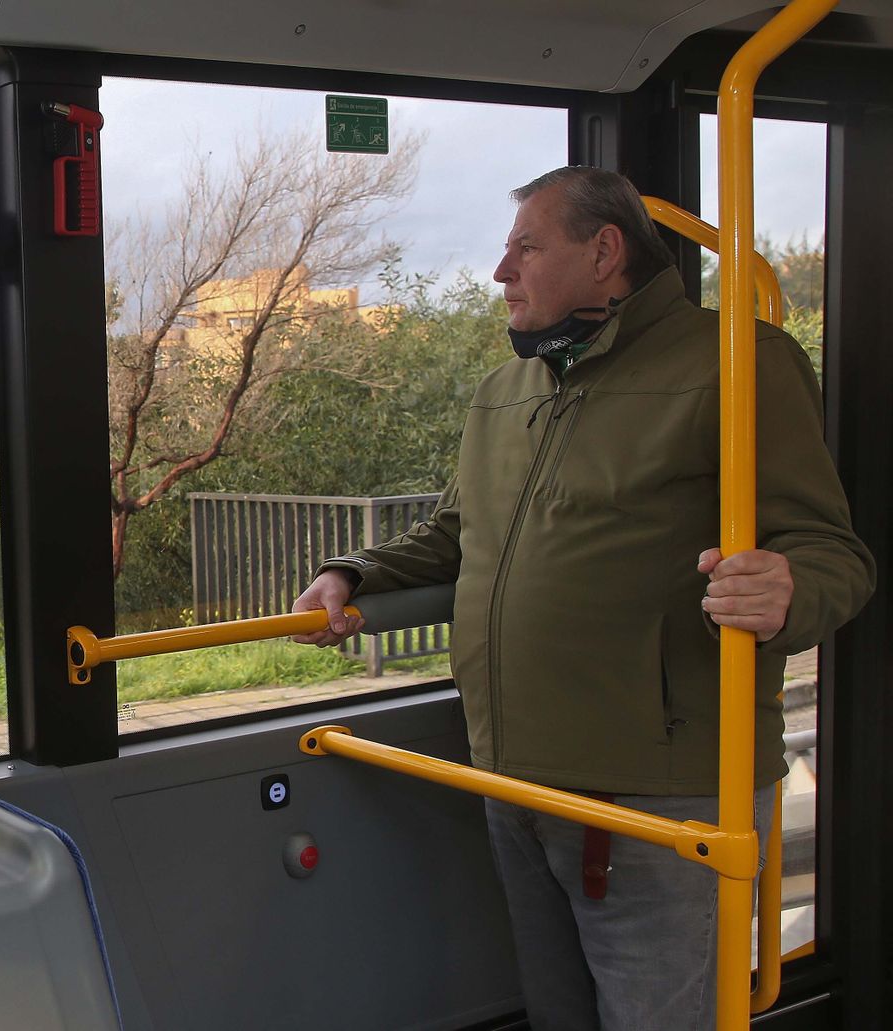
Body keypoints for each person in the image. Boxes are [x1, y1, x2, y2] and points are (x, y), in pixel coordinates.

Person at [290, 166, 874, 1030]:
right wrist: (352, 574)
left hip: (663, 796)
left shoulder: (738, 365)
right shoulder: (504, 392)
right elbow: (457, 535)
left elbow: (832, 551)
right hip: (517, 784)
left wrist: (789, 587)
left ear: (605, 252)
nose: (500, 271)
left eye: (525, 247)